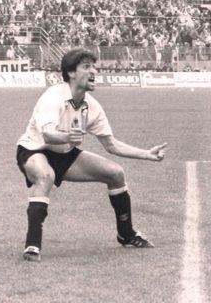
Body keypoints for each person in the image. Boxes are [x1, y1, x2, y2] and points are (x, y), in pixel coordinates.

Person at [16, 48, 167, 262]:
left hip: (65, 154)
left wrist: (146, 154)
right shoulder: (53, 96)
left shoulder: (93, 107)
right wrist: (68, 136)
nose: (94, 71)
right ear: (71, 73)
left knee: (115, 173)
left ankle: (126, 234)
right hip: (35, 150)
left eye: (94, 67)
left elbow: (111, 145)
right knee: (45, 175)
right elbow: (48, 135)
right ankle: (32, 245)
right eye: (86, 67)